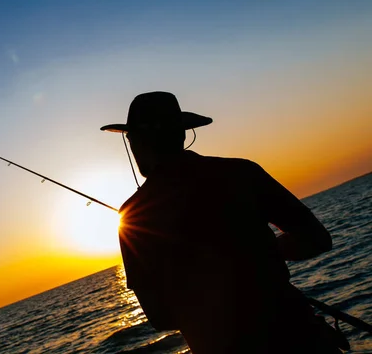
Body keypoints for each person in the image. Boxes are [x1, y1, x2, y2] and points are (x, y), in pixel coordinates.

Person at [100, 92, 348, 354]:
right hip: (302, 340)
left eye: (130, 139)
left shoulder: (133, 215)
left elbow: (160, 318)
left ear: (136, 141)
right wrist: (259, 256)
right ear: (183, 133)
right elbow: (317, 238)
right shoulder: (242, 172)